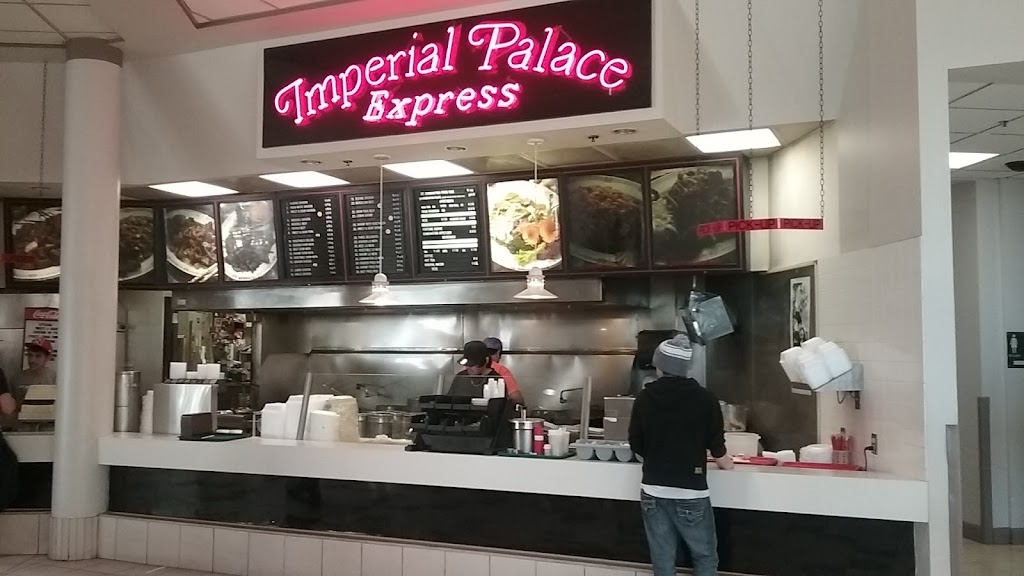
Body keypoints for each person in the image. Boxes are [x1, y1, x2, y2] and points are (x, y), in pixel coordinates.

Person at [628, 335, 733, 576]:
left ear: (660, 366)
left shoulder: (644, 397)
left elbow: (636, 443)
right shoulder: (705, 398)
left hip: (653, 490)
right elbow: (717, 446)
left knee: (662, 559)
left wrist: (657, 456)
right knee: (704, 557)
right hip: (691, 492)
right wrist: (726, 464)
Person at [482, 337, 526, 407]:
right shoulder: (501, 370)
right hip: (494, 411)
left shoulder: (468, 368)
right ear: (498, 353)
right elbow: (516, 398)